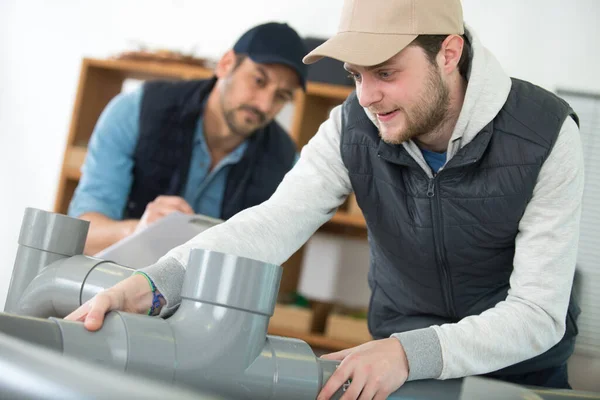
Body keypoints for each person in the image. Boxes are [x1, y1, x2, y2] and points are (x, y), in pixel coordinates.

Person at [66, 0, 585, 398]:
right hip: (394, 371)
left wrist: (408, 352)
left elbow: (538, 312)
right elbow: (271, 224)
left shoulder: (547, 134)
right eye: (356, 76)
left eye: (385, 72)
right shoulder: (349, 126)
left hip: (519, 377)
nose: (366, 96)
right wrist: (151, 287)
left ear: (449, 54)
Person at [68, 22, 307, 255]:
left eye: (282, 96)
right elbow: (85, 234)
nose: (264, 105)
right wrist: (137, 231)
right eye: (259, 81)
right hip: (113, 284)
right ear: (226, 64)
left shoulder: (287, 163)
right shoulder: (135, 111)